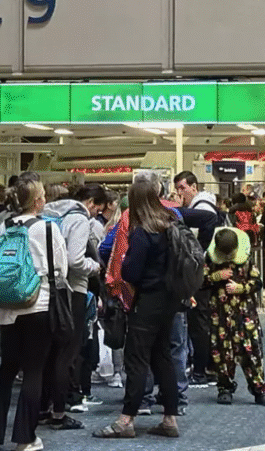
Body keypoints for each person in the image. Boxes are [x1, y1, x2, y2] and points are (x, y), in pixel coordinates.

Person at [0, 179, 67, 451]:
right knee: (34, 371)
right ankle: (25, 438)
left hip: (7, 307)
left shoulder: (5, 226)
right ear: (38, 201)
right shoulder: (48, 227)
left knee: (7, 367)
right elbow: (60, 268)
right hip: (38, 303)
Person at [94, 179, 182, 439]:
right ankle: (170, 418)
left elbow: (131, 271)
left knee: (136, 358)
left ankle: (126, 420)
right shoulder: (170, 223)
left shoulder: (143, 231)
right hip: (169, 300)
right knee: (163, 357)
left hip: (147, 301)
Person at [40, 183, 107, 422]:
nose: (96, 215)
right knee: (66, 354)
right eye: (98, 210)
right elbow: (75, 260)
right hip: (72, 291)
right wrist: (95, 267)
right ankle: (59, 411)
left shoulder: (49, 212)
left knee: (49, 352)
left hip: (48, 289)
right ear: (91, 203)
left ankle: (43, 407)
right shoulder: (79, 219)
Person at [204, 228, 265, 406]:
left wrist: (241, 288)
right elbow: (200, 281)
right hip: (220, 314)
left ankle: (260, 390)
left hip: (245, 314)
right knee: (222, 352)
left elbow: (257, 282)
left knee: (251, 352)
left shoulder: (246, 257)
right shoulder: (210, 258)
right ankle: (225, 388)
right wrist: (215, 276)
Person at [173, 171, 218, 388]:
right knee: (201, 319)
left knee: (199, 320)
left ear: (194, 186)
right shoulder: (201, 207)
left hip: (202, 273)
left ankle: (202, 370)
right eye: (177, 188)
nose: (180, 192)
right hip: (204, 271)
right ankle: (204, 366)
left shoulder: (202, 209)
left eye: (183, 187)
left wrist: (197, 256)